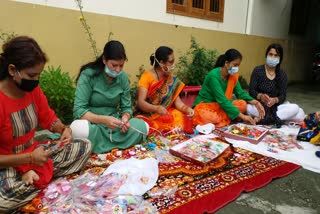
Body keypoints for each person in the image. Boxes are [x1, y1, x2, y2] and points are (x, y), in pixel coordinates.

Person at [0, 36, 92, 212]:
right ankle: (30, 178)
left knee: (84, 146)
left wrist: (63, 129)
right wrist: (29, 159)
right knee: (2, 200)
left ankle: (33, 179)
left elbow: (49, 118)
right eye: (31, 75)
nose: (36, 80)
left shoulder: (32, 90)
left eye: (39, 75)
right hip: (8, 166)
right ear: (12, 70)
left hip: (36, 156)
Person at [71, 40, 148, 154]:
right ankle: (116, 144)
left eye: (121, 66)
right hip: (94, 125)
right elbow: (79, 110)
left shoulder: (122, 78)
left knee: (144, 127)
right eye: (114, 65)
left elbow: (126, 108)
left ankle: (96, 146)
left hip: (115, 126)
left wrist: (125, 119)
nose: (118, 70)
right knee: (77, 128)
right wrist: (103, 120)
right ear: (104, 60)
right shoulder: (88, 75)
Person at [193, 49, 265, 127]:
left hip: (220, 107)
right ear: (226, 63)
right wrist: (243, 116)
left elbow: (240, 93)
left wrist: (256, 102)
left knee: (242, 104)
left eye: (238, 65)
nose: (236, 68)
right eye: (235, 65)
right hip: (205, 106)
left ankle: (224, 117)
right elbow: (222, 101)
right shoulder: (213, 76)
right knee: (210, 117)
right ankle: (225, 118)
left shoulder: (232, 76)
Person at [134, 46, 194, 133]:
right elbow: (141, 103)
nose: (173, 65)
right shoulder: (147, 77)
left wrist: (187, 109)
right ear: (162, 63)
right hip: (147, 115)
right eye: (171, 62)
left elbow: (178, 103)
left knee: (179, 116)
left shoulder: (170, 79)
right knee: (144, 127)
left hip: (164, 115)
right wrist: (156, 108)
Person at [247, 43, 305, 126]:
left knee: (296, 109)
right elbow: (251, 91)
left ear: (280, 58)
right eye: (270, 54)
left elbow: (283, 95)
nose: (273, 57)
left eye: (276, 55)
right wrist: (260, 96)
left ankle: (265, 119)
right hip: (260, 106)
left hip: (277, 107)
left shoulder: (282, 74)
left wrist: (275, 100)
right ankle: (275, 118)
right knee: (247, 108)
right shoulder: (258, 70)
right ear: (266, 55)